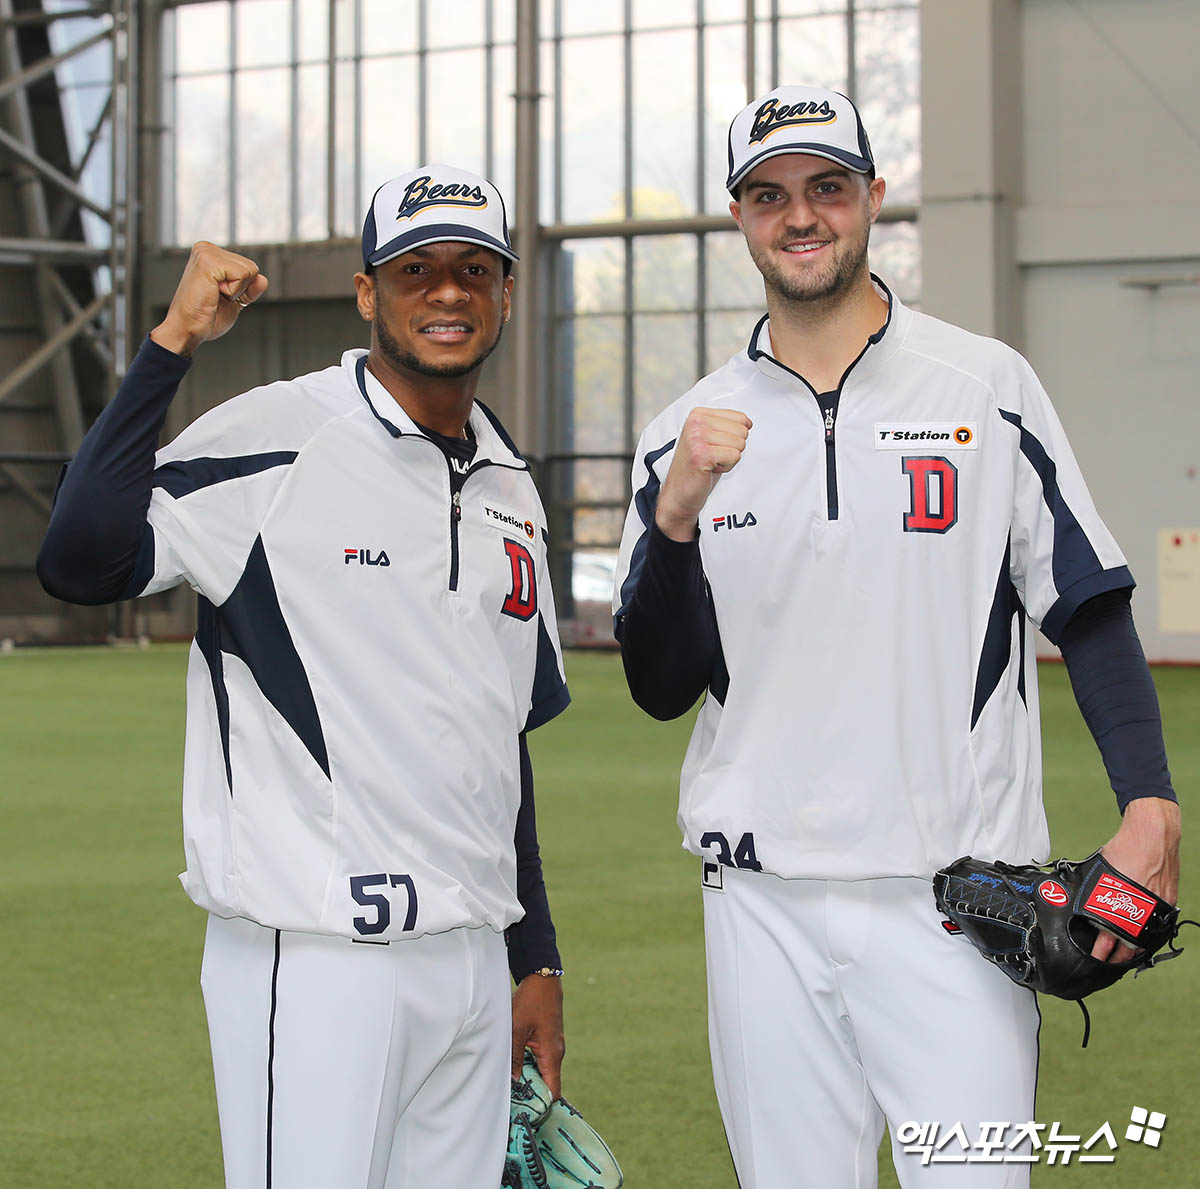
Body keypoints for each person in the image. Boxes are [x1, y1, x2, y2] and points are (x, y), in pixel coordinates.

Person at [612, 85, 1181, 1188]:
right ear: (740, 217)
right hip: (759, 909)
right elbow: (659, 684)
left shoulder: (986, 387)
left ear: (873, 198)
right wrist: (673, 519)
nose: (802, 215)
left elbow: (1089, 604)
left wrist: (1150, 804)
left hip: (953, 911)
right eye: (770, 195)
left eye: (828, 187)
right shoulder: (678, 433)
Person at [37, 164, 570, 1189]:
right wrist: (170, 344)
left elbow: (500, 741)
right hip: (319, 956)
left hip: (467, 963)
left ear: (506, 292)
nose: (447, 292)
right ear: (368, 292)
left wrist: (533, 958)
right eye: (415, 270)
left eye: (473, 269)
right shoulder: (279, 437)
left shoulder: (510, 484)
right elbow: (80, 560)